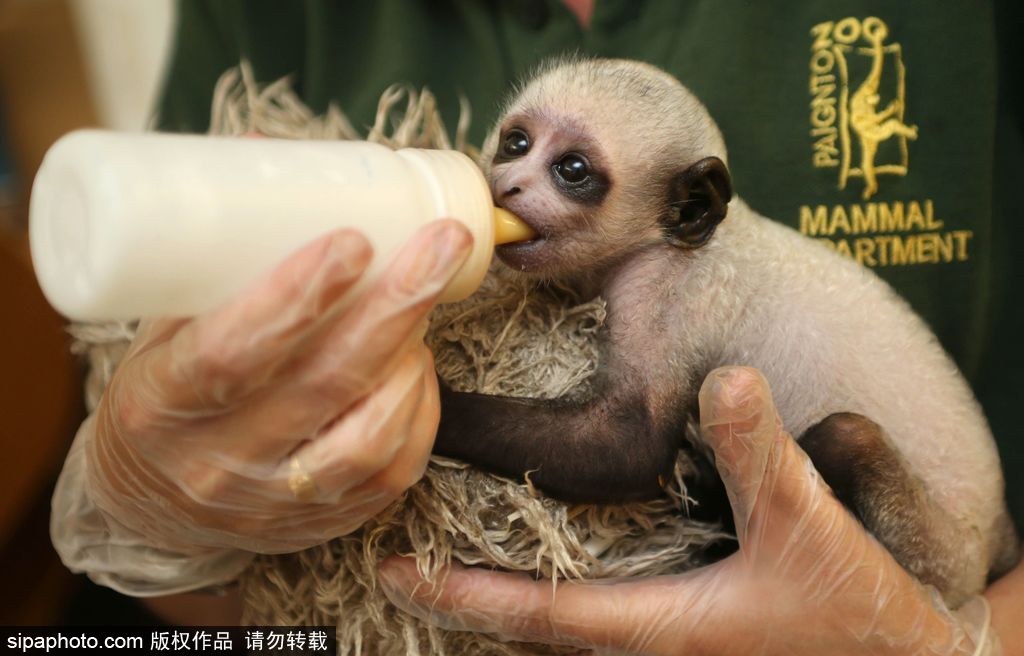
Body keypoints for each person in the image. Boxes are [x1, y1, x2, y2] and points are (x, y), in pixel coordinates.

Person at [51, 0, 1023, 652]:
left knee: (839, 440)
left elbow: (619, 448)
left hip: (935, 539)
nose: (510, 182)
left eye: (571, 172)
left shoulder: (678, 270)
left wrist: (969, 640)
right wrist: (158, 498)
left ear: (682, 211)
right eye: (515, 143)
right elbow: (197, 599)